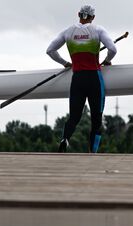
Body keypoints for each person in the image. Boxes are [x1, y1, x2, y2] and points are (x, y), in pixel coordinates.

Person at [46, 5, 117, 153]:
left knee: (74, 117)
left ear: (78, 14)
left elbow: (50, 50)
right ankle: (93, 151)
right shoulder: (98, 30)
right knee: (96, 118)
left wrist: (65, 63)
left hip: (77, 78)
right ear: (93, 17)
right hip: (94, 79)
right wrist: (106, 60)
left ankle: (65, 139)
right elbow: (113, 49)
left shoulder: (68, 32)